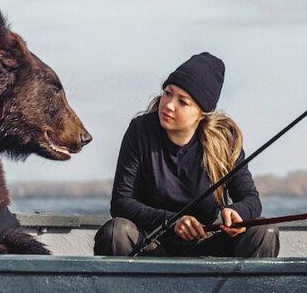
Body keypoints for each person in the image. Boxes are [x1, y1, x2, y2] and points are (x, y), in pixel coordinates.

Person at [94, 52, 280, 258]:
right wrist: (172, 221)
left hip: (206, 247)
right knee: (116, 232)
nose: (169, 105)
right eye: (168, 93)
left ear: (202, 113)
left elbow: (250, 199)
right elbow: (121, 202)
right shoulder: (140, 130)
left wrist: (239, 213)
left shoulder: (225, 140)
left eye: (183, 102)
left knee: (265, 232)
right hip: (151, 245)